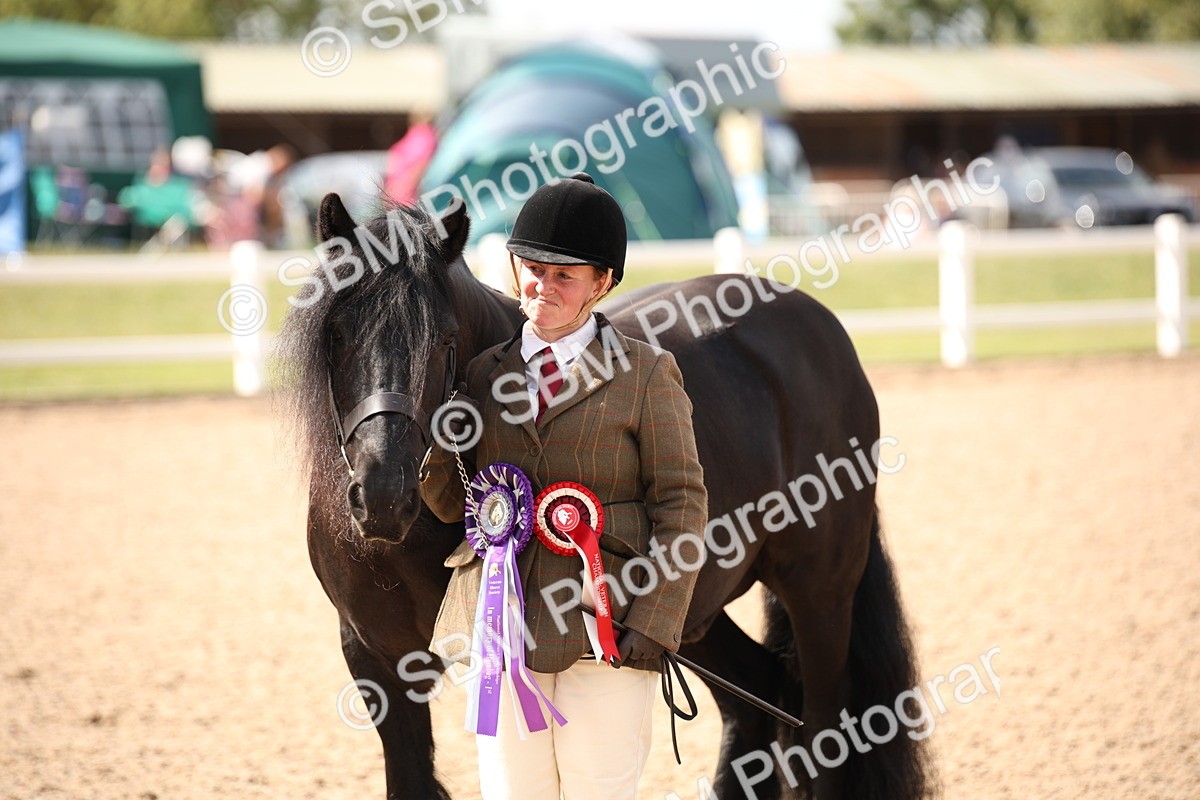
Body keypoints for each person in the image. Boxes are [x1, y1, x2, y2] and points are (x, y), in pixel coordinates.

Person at [420, 172, 708, 800]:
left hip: (608, 623)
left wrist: (657, 621)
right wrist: (440, 437)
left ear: (602, 284)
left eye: (564, 276)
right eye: (532, 269)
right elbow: (452, 504)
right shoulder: (478, 374)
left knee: (597, 789)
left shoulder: (647, 374)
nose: (542, 287)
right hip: (504, 627)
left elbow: (682, 505)